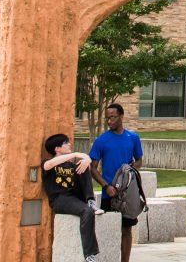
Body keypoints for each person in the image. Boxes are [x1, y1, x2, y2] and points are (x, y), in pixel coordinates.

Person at [88, 102, 144, 261]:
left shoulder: (132, 138)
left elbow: (139, 161)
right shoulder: (101, 141)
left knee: (127, 230)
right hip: (109, 193)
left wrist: (130, 170)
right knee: (108, 229)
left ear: (121, 117)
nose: (109, 121)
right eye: (107, 118)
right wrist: (106, 186)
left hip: (127, 194)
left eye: (112, 117)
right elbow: (93, 168)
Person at [41, 133, 102, 262]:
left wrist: (86, 160)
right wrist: (75, 154)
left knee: (84, 165)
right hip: (60, 199)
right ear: (57, 149)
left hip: (75, 197)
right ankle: (89, 255)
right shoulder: (48, 163)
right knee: (86, 212)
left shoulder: (73, 166)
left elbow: (87, 159)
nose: (69, 144)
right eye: (66, 143)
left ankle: (90, 200)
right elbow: (48, 165)